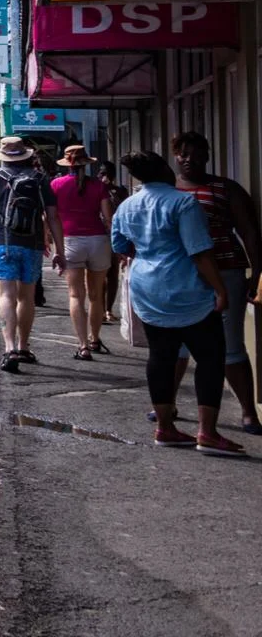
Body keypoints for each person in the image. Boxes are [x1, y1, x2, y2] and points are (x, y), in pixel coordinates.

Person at [112, 150, 245, 456]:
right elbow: (199, 251)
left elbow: (121, 246)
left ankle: (164, 427)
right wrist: (220, 289)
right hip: (187, 290)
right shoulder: (184, 202)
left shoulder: (126, 206)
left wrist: (151, 253)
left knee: (161, 356)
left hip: (146, 288)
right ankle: (207, 433)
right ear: (165, 171)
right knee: (210, 357)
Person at [171, 131, 262, 436]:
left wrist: (256, 274)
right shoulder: (167, 190)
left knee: (231, 345)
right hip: (182, 277)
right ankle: (167, 404)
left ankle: (249, 412)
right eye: (183, 153)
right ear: (175, 156)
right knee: (178, 344)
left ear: (207, 156)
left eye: (196, 154)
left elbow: (249, 232)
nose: (189, 160)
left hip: (227, 273)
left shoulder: (226, 189)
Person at [0, 137, 64, 374]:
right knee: (27, 297)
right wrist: (60, 250)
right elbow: (53, 217)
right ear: (25, 155)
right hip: (32, 246)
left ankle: (9, 348)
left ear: (2, 155)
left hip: (4, 245)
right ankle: (23, 346)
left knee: (6, 296)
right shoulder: (41, 179)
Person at [51, 145, 115, 361]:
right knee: (96, 296)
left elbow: (50, 217)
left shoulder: (56, 185)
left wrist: (50, 242)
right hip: (97, 241)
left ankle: (83, 346)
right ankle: (95, 339)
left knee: (76, 295)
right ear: (87, 163)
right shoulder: (99, 186)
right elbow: (108, 218)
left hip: (70, 241)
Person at [99, 160, 130, 322]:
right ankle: (100, 309)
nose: (104, 176)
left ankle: (108, 309)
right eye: (101, 173)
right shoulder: (96, 190)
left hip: (115, 235)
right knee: (101, 274)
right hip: (99, 235)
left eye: (107, 173)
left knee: (113, 274)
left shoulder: (120, 191)